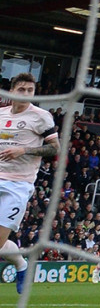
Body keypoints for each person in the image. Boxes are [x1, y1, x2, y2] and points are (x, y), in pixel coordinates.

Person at [0, 73, 58, 294]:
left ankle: (21, 266)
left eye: (30, 91)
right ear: (12, 90)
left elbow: (55, 149)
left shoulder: (41, 117)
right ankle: (22, 265)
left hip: (18, 185)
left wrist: (24, 150)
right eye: (22, 89)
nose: (26, 94)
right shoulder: (1, 114)